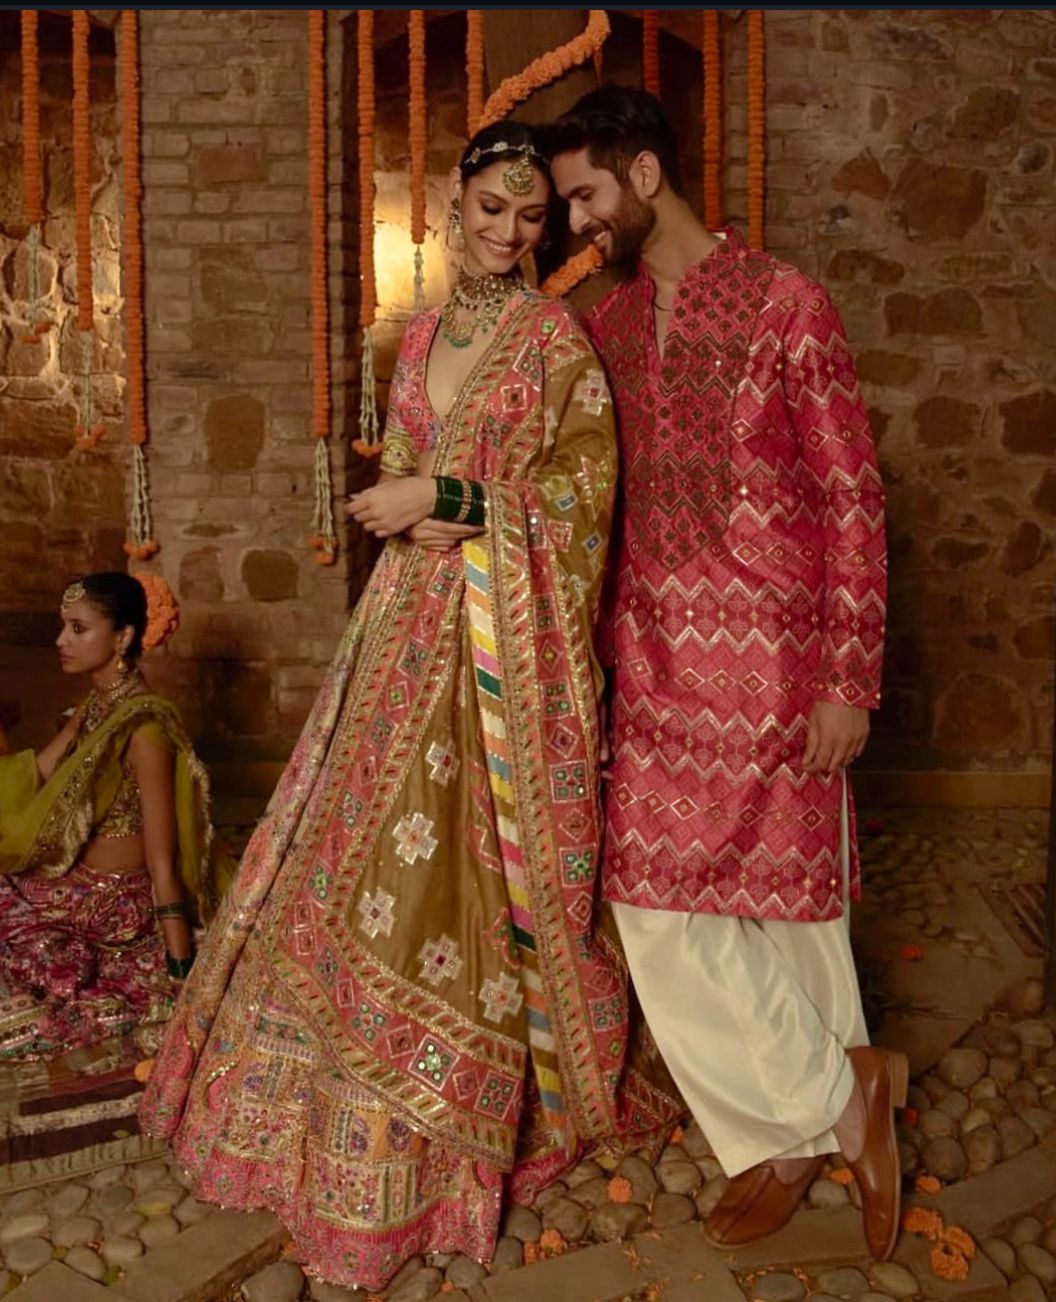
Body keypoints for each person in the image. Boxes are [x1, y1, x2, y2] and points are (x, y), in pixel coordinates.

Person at [140, 121, 678, 1293]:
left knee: (455, 868)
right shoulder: (420, 335)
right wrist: (411, 504)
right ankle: (307, 1101)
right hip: (399, 631)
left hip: (493, 653)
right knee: (350, 846)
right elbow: (398, 468)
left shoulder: (556, 344)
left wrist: (456, 501)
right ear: (454, 202)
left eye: (531, 216)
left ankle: (441, 1137)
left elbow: (585, 497)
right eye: (492, 209)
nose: (511, 232)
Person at [544, 88, 905, 1261]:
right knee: (655, 907)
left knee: (796, 917)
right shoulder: (606, 326)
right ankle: (842, 1097)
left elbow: (851, 497)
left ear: (646, 175)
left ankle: (786, 1138)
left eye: (586, 195)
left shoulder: (788, 303)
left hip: (783, 669)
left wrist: (848, 675)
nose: (577, 223)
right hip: (654, 667)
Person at [0, 572, 217, 1060]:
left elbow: (163, 862)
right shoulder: (96, 704)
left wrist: (181, 972)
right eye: (63, 627)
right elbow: (36, 773)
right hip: (71, 880)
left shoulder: (145, 729)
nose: (61, 641)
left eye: (78, 629)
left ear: (122, 637)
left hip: (113, 907)